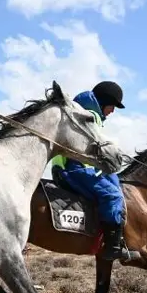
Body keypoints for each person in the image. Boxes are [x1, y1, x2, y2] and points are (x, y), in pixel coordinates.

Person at [50, 81, 133, 261]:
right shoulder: (90, 116)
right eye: (112, 106)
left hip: (66, 166)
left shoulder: (83, 112)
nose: (112, 111)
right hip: (73, 168)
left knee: (114, 181)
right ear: (104, 102)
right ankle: (112, 247)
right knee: (113, 195)